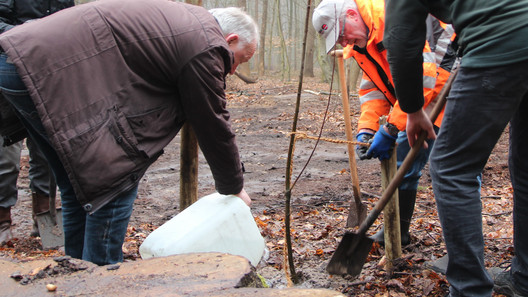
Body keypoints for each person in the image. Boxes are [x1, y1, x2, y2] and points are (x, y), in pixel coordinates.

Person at [0, 0, 258, 266]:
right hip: (42, 69)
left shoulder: (184, 22)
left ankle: (76, 274)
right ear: (231, 38)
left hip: (19, 60)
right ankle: (101, 279)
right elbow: (212, 119)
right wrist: (233, 186)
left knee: (76, 185)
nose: (233, 70)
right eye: (238, 59)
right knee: (113, 181)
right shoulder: (205, 42)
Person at [384, 0, 528, 296]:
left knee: (452, 167)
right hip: (509, 31)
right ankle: (525, 279)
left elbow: (401, 36)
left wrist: (412, 109)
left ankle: (469, 290)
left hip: (500, 39)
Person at [312, 0, 457, 246]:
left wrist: (391, 127)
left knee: (452, 168)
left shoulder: (388, 22)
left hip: (450, 81)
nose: (343, 43)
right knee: (404, 159)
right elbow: (374, 89)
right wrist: (367, 129)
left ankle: (461, 254)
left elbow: (424, 77)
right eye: (338, 41)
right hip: (418, 96)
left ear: (351, 14)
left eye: (341, 35)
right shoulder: (363, 44)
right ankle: (398, 232)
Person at [0, 0, 74, 245]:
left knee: (45, 150)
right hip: (8, 71)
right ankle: (2, 220)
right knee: (5, 154)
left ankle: (42, 215)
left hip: (46, 74)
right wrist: (26, 33)